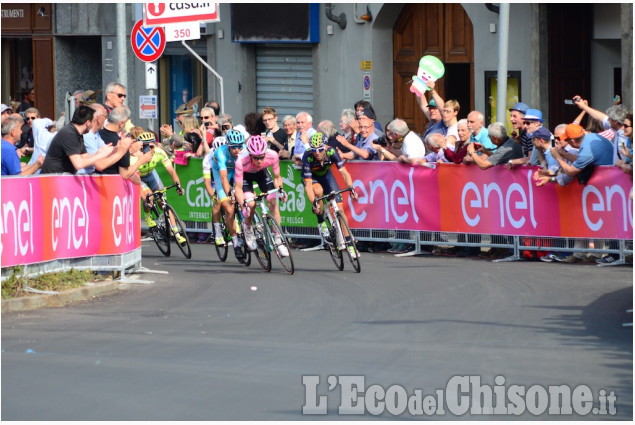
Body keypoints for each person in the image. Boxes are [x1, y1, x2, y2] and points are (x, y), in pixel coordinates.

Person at [302, 132, 359, 258]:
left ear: (326, 147)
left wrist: (351, 189)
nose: (317, 152)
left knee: (340, 208)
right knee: (318, 191)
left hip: (326, 176)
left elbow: (344, 173)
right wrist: (314, 203)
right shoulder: (308, 156)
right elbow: (308, 186)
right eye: (314, 150)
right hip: (313, 179)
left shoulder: (332, 152)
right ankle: (321, 220)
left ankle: (349, 243)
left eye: (320, 149)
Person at [234, 135, 288, 257]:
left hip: (262, 174)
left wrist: (281, 191)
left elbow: (277, 177)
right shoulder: (241, 161)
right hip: (246, 177)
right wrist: (244, 205)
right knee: (251, 204)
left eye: (262, 157)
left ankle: (278, 240)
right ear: (249, 154)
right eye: (256, 158)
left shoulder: (272, 155)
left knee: (273, 203)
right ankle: (247, 229)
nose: (259, 161)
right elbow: (238, 187)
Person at [135, 131, 187, 245]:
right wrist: (145, 198)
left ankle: (177, 233)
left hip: (151, 174)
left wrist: (178, 185)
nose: (148, 149)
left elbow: (171, 171)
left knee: (162, 201)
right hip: (139, 177)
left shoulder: (159, 152)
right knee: (149, 196)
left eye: (151, 146)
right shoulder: (135, 156)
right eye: (145, 146)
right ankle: (148, 216)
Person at [40, 105, 114, 174]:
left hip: (61, 178)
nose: (92, 126)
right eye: (92, 122)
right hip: (52, 179)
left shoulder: (78, 134)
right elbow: (78, 164)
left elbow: (86, 157)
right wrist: (100, 155)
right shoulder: (69, 134)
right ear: (88, 123)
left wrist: (98, 153)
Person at [211, 130, 247, 260]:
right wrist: (229, 194)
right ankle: (236, 243)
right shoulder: (220, 153)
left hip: (235, 171)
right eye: (234, 147)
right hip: (221, 173)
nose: (237, 150)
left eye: (240, 146)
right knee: (229, 208)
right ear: (228, 145)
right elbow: (223, 176)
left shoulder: (244, 150)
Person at [95, 105, 135, 178]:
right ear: (121, 124)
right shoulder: (122, 144)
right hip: (111, 184)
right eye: (125, 123)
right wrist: (141, 161)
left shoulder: (95, 135)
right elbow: (124, 174)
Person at [77, 103, 108, 174]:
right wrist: (121, 151)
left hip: (89, 175)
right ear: (99, 118)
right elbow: (99, 164)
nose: (106, 119)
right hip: (81, 178)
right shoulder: (87, 135)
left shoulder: (96, 133)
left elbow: (106, 151)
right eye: (105, 116)